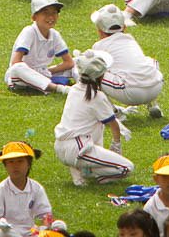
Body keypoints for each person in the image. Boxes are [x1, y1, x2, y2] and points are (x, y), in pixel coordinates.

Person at [53, 49, 133, 186]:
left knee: (95, 125)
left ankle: (81, 170)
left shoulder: (74, 90)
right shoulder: (97, 97)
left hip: (60, 147)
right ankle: (95, 175)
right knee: (126, 168)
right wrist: (116, 145)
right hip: (79, 149)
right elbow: (113, 124)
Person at [90, 4, 164, 116]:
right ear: (124, 27)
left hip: (131, 93)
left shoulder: (99, 46)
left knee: (94, 73)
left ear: (100, 30)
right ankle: (153, 104)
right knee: (149, 62)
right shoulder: (130, 40)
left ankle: (114, 113)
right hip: (156, 87)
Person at [5, 0, 75, 94]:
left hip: (42, 73)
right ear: (34, 17)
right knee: (17, 68)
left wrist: (47, 71)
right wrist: (36, 73)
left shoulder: (54, 35)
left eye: (54, 13)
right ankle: (58, 88)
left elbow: (69, 62)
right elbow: (16, 61)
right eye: (45, 13)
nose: (51, 17)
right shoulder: (29, 31)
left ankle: (83, 87)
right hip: (21, 77)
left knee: (78, 62)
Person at [0, 141, 53, 234]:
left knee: (59, 226)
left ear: (28, 164)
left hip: (29, 232)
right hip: (6, 232)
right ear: (5, 165)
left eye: (20, 161)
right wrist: (1, 224)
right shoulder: (1, 190)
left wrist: (46, 226)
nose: (15, 166)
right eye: (11, 162)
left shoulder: (36, 188)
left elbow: (45, 214)